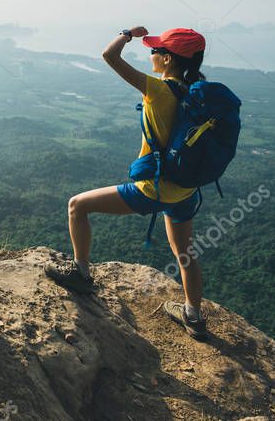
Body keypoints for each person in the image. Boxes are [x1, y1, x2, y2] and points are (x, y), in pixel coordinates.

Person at [45, 27, 210, 340]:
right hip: (186, 190)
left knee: (77, 205)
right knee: (185, 253)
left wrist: (127, 34)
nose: (151, 55)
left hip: (154, 189)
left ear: (167, 59)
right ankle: (194, 316)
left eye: (155, 51)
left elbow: (109, 55)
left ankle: (80, 273)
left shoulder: (158, 90)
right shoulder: (197, 91)